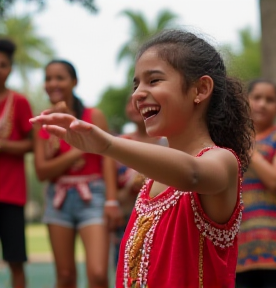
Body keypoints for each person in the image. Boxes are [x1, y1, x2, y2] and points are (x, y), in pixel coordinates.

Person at [30, 29, 254, 288]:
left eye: (154, 80)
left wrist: (107, 145)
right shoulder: (152, 181)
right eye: (136, 84)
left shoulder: (222, 161)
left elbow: (192, 174)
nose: (137, 94)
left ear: (200, 89)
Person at [33, 60, 122, 288]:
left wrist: (111, 201)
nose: (52, 83)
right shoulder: (41, 122)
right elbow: (42, 172)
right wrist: (77, 151)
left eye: (59, 78)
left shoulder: (94, 116)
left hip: (93, 196)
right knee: (65, 276)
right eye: (48, 78)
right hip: (58, 199)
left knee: (99, 274)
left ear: (74, 82)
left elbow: (107, 160)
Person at [236, 79, 276, 288]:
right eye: (256, 97)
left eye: (270, 100)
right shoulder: (230, 140)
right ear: (246, 101)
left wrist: (249, 147)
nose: (262, 104)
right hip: (238, 251)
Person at [114, 97, 167, 267]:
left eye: (141, 101)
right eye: (130, 102)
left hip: (161, 222)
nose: (135, 106)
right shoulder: (116, 144)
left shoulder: (168, 142)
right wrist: (130, 188)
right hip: (126, 221)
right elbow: (109, 193)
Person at [0, 38, 33, 288]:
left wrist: (4, 145)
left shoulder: (19, 102)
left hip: (11, 195)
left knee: (15, 261)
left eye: (3, 64)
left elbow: (33, 144)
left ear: (10, 68)